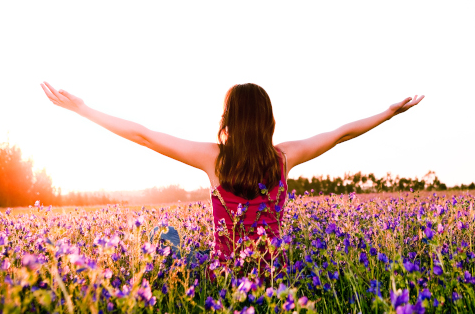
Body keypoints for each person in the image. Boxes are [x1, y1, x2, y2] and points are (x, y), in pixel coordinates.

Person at [40, 82, 424, 271]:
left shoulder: (214, 160)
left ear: (229, 120)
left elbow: (144, 135)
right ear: (267, 120)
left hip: (225, 277)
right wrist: (388, 114)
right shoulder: (284, 159)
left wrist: (84, 110)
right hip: (273, 275)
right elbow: (341, 134)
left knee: (165, 242)